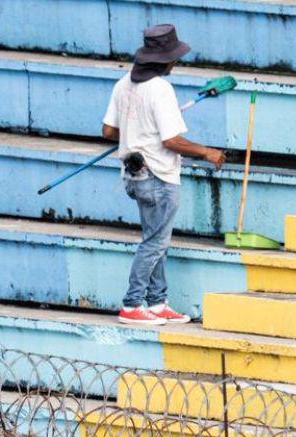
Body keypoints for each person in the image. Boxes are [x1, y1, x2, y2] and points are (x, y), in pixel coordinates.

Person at [101, 24, 226, 326]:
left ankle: (157, 301)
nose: (175, 63)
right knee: (155, 243)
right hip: (159, 176)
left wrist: (138, 129)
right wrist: (207, 152)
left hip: (133, 176)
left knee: (155, 239)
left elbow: (108, 131)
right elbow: (171, 141)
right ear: (164, 60)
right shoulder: (161, 90)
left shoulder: (123, 84)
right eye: (174, 58)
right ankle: (132, 304)